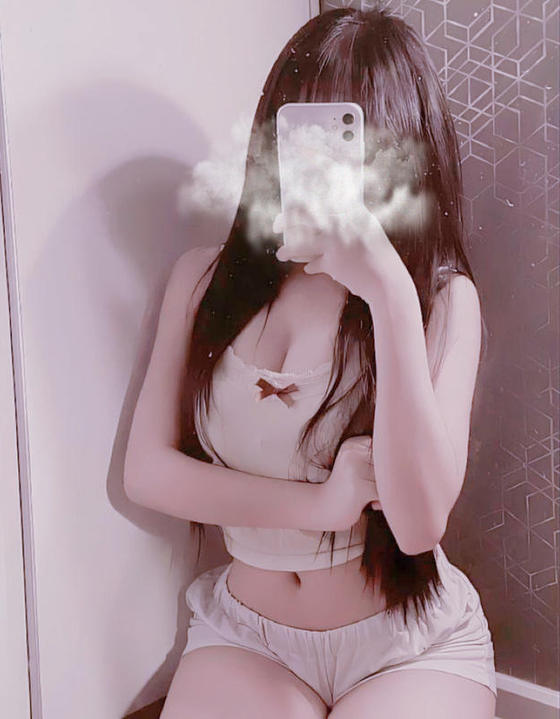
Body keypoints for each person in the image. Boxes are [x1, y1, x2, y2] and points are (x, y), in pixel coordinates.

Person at [124, 6, 498, 718]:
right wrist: (319, 506)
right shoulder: (204, 281)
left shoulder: (441, 302)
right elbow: (147, 471)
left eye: (348, 137)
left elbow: (419, 526)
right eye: (302, 132)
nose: (321, 162)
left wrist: (389, 292)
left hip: (409, 644)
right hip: (249, 636)